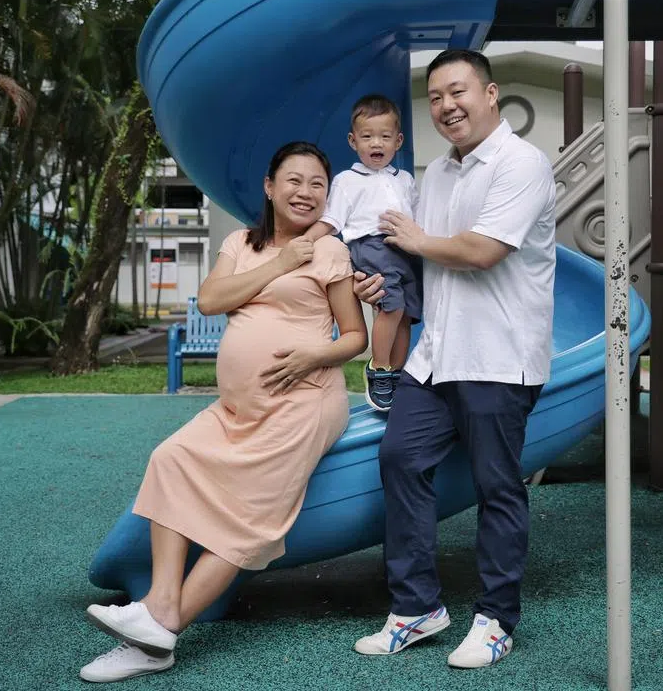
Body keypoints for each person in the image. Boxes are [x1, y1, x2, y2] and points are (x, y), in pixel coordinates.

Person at [77, 141, 367, 683]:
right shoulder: (240, 242)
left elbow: (355, 336)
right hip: (237, 406)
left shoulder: (331, 251)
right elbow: (212, 301)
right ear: (269, 187)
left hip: (304, 402)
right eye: (295, 180)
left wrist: (312, 354)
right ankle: (160, 604)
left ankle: (159, 633)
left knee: (250, 522)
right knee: (171, 459)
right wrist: (281, 263)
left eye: (318, 184)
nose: (306, 192)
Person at [351, 49, 556, 669]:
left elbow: (482, 250)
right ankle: (417, 607)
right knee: (400, 457)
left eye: (458, 91)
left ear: (490, 94)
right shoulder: (436, 173)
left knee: (498, 487)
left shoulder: (522, 163)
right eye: (436, 96)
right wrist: (379, 281)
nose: (446, 106)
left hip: (498, 355)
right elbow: (418, 259)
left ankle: (496, 620)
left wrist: (417, 240)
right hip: (436, 355)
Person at [304, 94, 421, 412]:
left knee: (406, 314)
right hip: (372, 247)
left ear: (398, 141)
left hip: (406, 249)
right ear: (353, 141)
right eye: (367, 136)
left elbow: (419, 216)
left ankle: (396, 373)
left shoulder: (405, 180)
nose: (376, 143)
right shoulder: (347, 181)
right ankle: (378, 367)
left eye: (385, 136)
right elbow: (332, 220)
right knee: (391, 307)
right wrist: (306, 240)